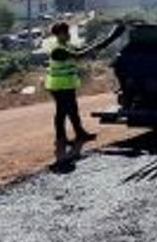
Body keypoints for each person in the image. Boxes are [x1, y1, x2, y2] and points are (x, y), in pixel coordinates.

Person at [45, 19, 125, 158]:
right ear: (60, 34)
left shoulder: (65, 45)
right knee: (62, 111)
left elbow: (84, 49)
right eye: (66, 32)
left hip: (65, 84)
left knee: (72, 110)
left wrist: (106, 40)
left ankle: (79, 134)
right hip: (59, 85)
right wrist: (111, 37)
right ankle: (61, 139)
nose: (69, 35)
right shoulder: (57, 49)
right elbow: (80, 55)